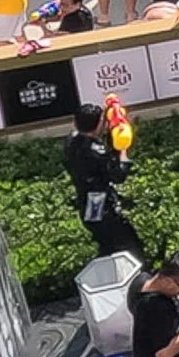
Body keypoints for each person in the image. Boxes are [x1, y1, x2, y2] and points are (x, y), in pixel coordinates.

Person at [64, 102, 142, 259]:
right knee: (128, 245)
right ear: (99, 123)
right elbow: (118, 175)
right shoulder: (97, 152)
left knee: (105, 242)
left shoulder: (71, 141)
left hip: (87, 202)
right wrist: (123, 150)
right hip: (102, 205)